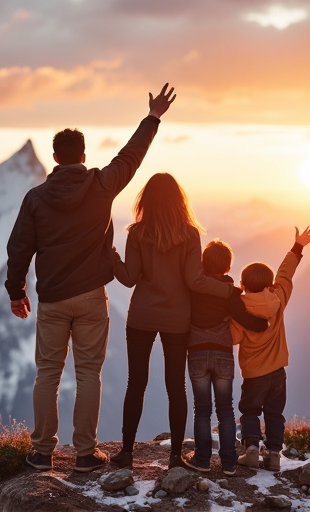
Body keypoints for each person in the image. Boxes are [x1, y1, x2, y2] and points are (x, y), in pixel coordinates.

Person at [4, 83, 177, 473]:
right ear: (83, 156)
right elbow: (131, 157)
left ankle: (42, 452)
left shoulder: (35, 198)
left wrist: (16, 291)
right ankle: (85, 453)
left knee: (47, 373)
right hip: (90, 297)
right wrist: (153, 117)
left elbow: (19, 250)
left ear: (54, 158)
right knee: (88, 374)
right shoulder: (101, 185)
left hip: (51, 298)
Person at [108, 173, 267, 470]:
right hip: (177, 318)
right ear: (179, 201)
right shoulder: (190, 234)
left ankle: (126, 452)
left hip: (142, 315)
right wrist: (228, 290)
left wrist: (112, 255)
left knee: (136, 383)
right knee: (176, 386)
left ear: (146, 200)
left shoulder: (138, 232)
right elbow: (194, 281)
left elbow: (128, 278)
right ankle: (175, 457)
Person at [233, 226, 310, 471]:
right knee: (274, 414)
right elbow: (285, 273)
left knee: (249, 410)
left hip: (254, 374)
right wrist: (297, 247)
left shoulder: (240, 310)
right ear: (269, 284)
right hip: (278, 372)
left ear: (243, 285)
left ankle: (250, 449)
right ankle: (274, 455)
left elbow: (234, 337)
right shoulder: (278, 297)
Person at [184, 239, 268, 476]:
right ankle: (229, 462)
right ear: (228, 268)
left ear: (202, 264)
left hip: (197, 353)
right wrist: (264, 324)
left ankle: (202, 459)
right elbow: (245, 319)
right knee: (226, 410)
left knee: (202, 410)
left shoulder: (194, 290)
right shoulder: (230, 294)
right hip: (222, 354)